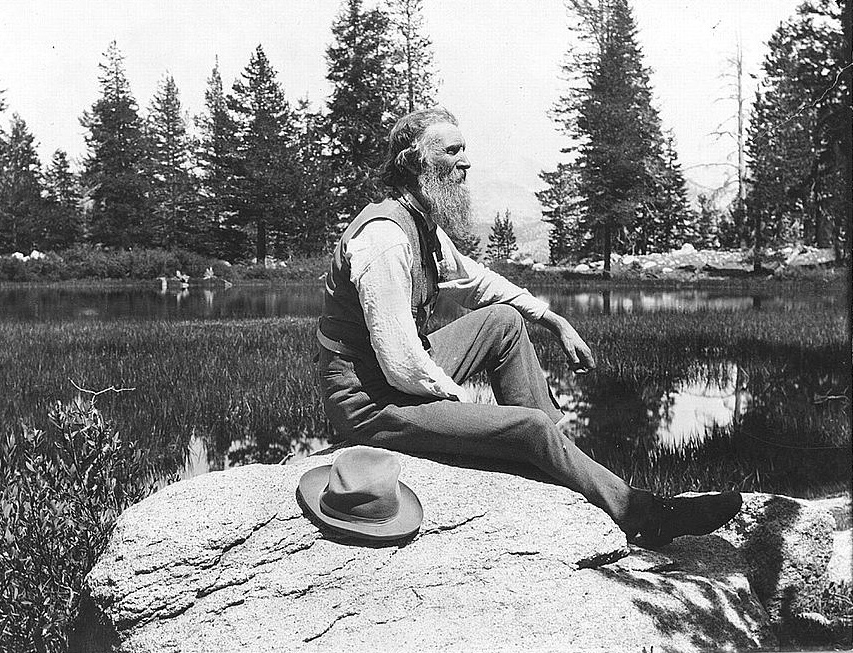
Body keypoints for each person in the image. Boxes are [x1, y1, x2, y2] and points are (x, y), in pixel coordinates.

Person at [315, 107, 741, 547]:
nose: (465, 163)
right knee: (527, 427)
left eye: (466, 151)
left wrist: (554, 320)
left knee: (504, 322)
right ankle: (642, 514)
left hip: (395, 378)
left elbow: (478, 284)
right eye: (452, 151)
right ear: (414, 161)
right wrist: (468, 409)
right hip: (369, 402)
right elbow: (402, 363)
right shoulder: (384, 237)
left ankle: (557, 458)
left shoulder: (421, 223)